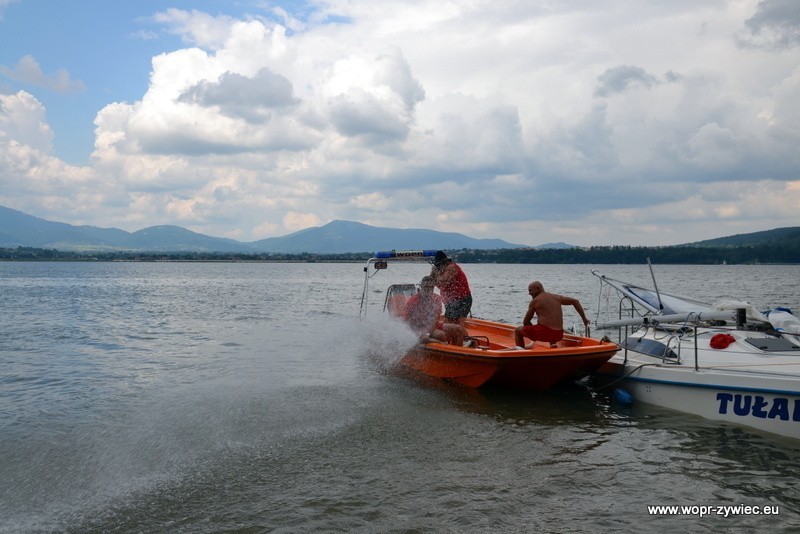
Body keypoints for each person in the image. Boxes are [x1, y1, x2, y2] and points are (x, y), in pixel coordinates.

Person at [514, 281, 590, 348]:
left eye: (530, 290)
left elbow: (526, 322)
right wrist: (584, 319)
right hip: (559, 335)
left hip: (546, 333)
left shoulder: (535, 301)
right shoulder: (556, 297)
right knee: (545, 324)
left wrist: (532, 335)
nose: (529, 293)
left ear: (538, 289)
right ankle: (553, 343)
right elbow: (575, 301)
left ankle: (519, 352)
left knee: (518, 330)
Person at [430, 251, 472, 327]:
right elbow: (437, 284)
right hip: (451, 301)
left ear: (443, 263)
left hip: (462, 299)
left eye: (438, 265)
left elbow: (442, 280)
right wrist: (433, 274)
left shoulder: (451, 267)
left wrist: (435, 273)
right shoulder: (442, 271)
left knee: (456, 324)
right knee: (450, 323)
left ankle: (462, 337)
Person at [403, 276, 447, 342]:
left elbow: (435, 320)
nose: (428, 289)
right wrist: (419, 334)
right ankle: (443, 348)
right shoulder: (413, 301)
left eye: (430, 287)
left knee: (458, 329)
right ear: (421, 287)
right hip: (416, 328)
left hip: (431, 326)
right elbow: (406, 321)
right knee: (441, 335)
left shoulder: (436, 299)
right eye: (426, 287)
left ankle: (456, 350)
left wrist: (427, 333)